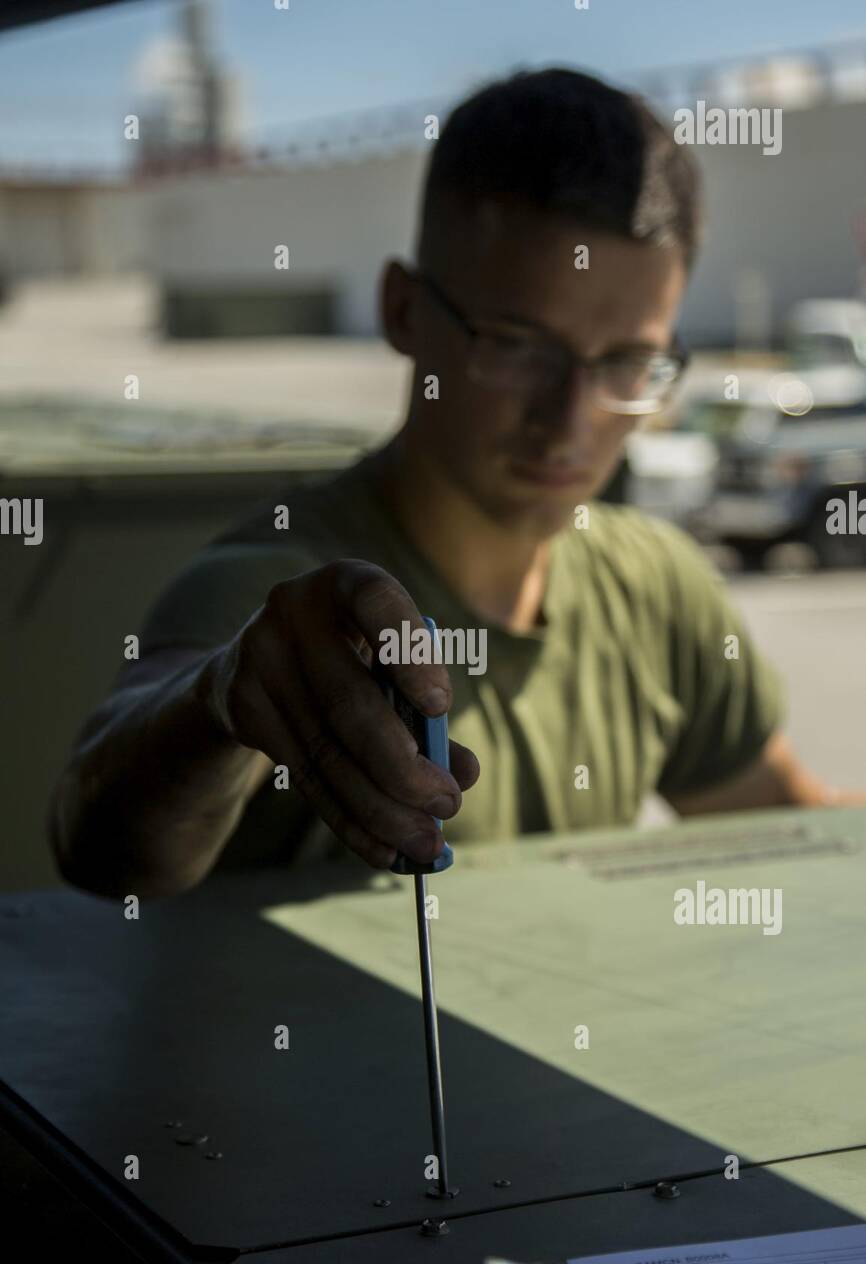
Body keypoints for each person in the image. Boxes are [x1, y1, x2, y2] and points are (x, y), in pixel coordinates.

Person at [48, 68, 859, 900]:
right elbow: (103, 843)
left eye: (628, 362)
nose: (571, 419)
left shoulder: (657, 589)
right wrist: (218, 704)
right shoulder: (274, 600)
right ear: (403, 311)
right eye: (516, 345)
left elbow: (779, 819)